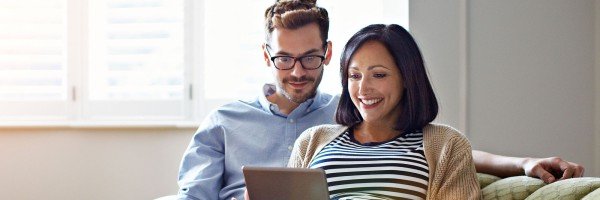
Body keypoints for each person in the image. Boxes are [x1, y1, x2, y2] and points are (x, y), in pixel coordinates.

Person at [177, 1, 584, 200]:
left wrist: (524, 163)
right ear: (267, 56)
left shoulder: (362, 111)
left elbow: (434, 146)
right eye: (284, 58)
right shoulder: (240, 124)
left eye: (310, 58)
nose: (298, 70)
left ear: (327, 53)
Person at [287, 24, 479, 199]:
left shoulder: (448, 145)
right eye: (354, 76)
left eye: (378, 75)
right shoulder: (311, 141)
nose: (362, 89)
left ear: (406, 78)